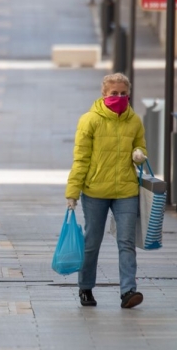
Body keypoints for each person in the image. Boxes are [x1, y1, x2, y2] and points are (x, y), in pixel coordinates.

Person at [65, 73, 147, 309]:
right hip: (95, 191)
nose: (119, 97)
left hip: (126, 190)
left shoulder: (134, 121)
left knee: (126, 242)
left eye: (123, 93)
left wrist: (139, 154)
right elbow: (81, 159)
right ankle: (86, 287)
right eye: (114, 93)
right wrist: (72, 192)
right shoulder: (90, 120)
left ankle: (128, 291)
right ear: (104, 94)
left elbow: (140, 145)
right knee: (92, 241)